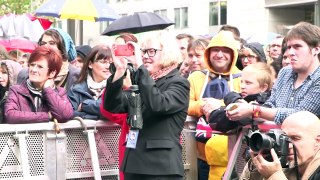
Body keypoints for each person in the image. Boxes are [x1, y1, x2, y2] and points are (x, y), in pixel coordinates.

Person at [102, 32, 190, 179]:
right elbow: (113, 106)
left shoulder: (179, 82)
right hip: (134, 162)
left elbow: (158, 105)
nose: (145, 56)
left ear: (167, 53)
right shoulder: (143, 78)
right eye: (143, 51)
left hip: (161, 167)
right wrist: (119, 71)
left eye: (151, 51)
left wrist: (140, 67)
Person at [226, 21, 320, 125]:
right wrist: (248, 110)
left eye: (297, 46)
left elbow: (300, 115)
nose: (290, 53)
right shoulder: (285, 72)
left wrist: (254, 110)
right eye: (289, 47)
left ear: (316, 49)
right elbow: (271, 104)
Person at [188, 31, 242, 180]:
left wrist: (219, 106)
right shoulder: (196, 77)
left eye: (225, 51)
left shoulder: (243, 77)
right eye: (215, 50)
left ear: (233, 55)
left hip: (233, 156)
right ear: (208, 53)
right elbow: (185, 105)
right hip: (201, 156)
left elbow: (247, 106)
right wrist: (203, 106)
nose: (219, 54)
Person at [100, 33, 137, 180]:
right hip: (129, 144)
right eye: (116, 49)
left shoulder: (148, 77)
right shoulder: (118, 77)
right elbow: (108, 111)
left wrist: (130, 90)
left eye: (124, 48)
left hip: (150, 152)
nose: (120, 53)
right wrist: (118, 76)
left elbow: (153, 106)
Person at [241, 111, 320, 180]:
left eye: (295, 138)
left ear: (317, 141)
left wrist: (273, 175)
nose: (287, 145)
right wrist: (257, 168)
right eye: (284, 138)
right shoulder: (281, 165)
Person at [4, 46, 73, 124]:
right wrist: (47, 116)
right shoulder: (16, 90)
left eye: (40, 67)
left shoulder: (60, 92)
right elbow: (10, 115)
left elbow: (65, 116)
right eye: (32, 65)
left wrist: (48, 90)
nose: (34, 70)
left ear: (52, 73)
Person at [208, 62, 274, 133]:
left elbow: (248, 117)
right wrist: (238, 102)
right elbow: (215, 119)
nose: (242, 86)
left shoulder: (268, 104)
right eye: (241, 82)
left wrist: (248, 110)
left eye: (248, 83)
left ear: (263, 87)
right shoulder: (238, 97)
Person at [68, 45, 112, 119]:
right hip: (83, 130)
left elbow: (110, 109)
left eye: (111, 62)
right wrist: (97, 116)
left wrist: (85, 105)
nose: (108, 66)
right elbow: (70, 114)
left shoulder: (116, 87)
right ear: (90, 64)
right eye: (103, 62)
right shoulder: (76, 89)